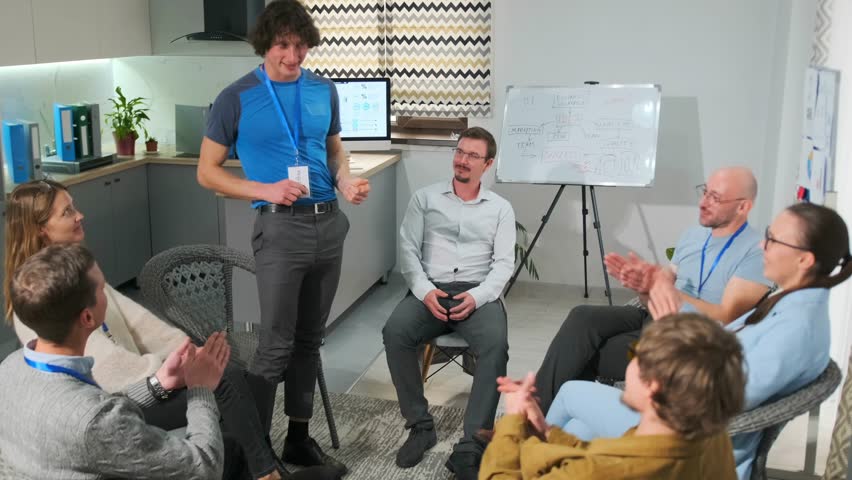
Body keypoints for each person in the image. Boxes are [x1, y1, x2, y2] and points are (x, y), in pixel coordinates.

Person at [5, 179, 340, 480]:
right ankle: (266, 470)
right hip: (124, 401)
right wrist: (192, 383)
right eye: (67, 212)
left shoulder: (14, 364)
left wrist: (179, 360)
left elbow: (139, 323)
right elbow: (199, 464)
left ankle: (263, 467)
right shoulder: (91, 416)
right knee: (225, 386)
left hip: (133, 390)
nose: (80, 216)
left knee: (235, 387)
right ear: (41, 229)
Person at [545, 202, 852, 479]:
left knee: (572, 393)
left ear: (804, 260)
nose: (762, 244)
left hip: (694, 440)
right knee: (576, 430)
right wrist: (663, 299)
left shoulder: (797, 329)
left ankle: (523, 450)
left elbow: (722, 398)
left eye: (773, 239)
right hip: (690, 422)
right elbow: (721, 348)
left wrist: (663, 355)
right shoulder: (790, 303)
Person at [197, 1, 370, 474]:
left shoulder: (323, 90)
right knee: (275, 344)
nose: (293, 56)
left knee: (310, 340)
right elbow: (207, 172)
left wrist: (345, 180)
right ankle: (252, 453)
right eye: (282, 46)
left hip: (329, 224)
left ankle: (297, 438)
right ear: (264, 45)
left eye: (300, 46)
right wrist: (263, 188)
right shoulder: (236, 97)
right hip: (279, 228)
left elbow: (334, 151)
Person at [534, 166, 772, 413]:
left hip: (692, 336)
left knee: (583, 353)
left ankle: (539, 416)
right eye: (705, 192)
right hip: (657, 316)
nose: (703, 203)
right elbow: (659, 287)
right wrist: (645, 286)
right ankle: (546, 414)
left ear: (743, 207)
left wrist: (668, 291)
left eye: (715, 198)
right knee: (582, 316)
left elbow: (728, 315)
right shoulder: (693, 236)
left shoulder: (756, 252)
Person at [0, 244, 231, 479]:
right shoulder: (93, 421)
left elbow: (88, 414)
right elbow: (204, 467)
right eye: (102, 289)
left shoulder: (9, 369)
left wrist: (158, 383)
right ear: (87, 317)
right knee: (232, 451)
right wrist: (200, 389)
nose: (108, 294)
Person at [381, 127, 514, 479]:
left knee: (496, 344)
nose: (463, 160)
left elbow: (504, 265)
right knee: (395, 332)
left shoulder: (500, 209)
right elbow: (408, 249)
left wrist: (478, 296)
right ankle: (420, 426)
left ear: (487, 164)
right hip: (431, 289)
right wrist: (425, 291)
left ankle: (473, 443)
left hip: (477, 292)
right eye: (460, 152)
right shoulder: (425, 198)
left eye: (473, 155)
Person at [480, 312, 743, 479]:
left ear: (653, 386)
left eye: (635, 354)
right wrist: (546, 431)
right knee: (576, 427)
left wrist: (511, 423)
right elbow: (609, 454)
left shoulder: (599, 470)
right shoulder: (713, 439)